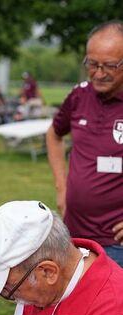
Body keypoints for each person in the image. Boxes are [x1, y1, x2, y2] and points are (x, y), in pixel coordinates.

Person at [46, 20, 123, 267]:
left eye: (109, 65)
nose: (98, 73)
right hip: (73, 237)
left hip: (116, 246)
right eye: (92, 64)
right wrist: (61, 187)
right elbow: (54, 134)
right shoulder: (79, 95)